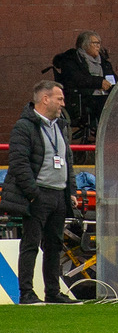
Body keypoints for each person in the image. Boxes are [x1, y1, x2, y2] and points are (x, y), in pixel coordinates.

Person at [0, 81, 77, 305]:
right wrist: (33, 194)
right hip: (37, 195)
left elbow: (67, 161)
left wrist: (70, 189)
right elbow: (18, 163)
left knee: (54, 245)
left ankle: (53, 292)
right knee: (31, 244)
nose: (63, 103)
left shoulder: (60, 126)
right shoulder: (24, 127)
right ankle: (26, 293)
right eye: (59, 99)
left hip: (58, 194)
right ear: (45, 99)